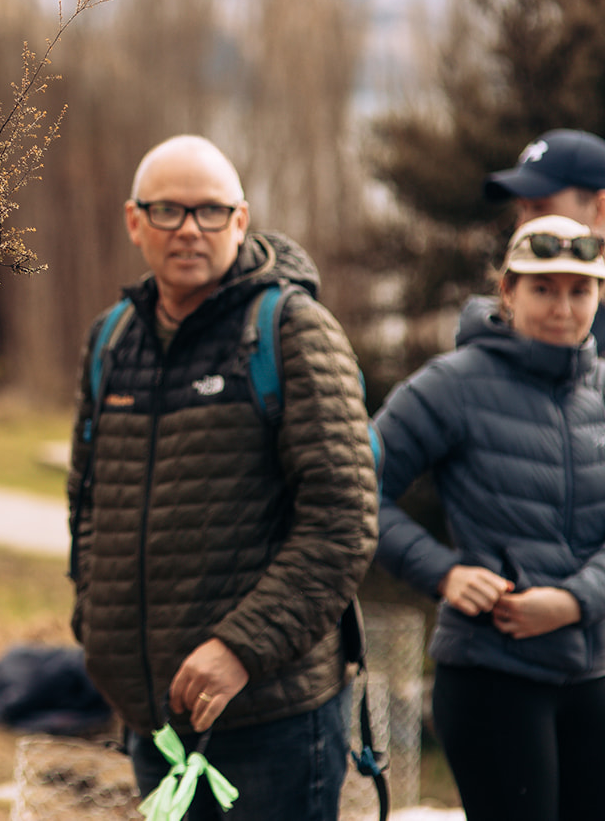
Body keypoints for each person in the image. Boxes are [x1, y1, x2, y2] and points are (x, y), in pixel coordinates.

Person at [66, 134, 378, 820]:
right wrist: (98, 623)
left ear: (240, 220)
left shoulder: (293, 331)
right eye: (168, 211)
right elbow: (87, 499)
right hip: (155, 717)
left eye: (210, 212)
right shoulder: (111, 338)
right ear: (134, 221)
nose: (188, 229)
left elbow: (343, 520)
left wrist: (240, 647)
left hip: (273, 719)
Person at [373, 213, 605, 821]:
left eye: (580, 289)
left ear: (600, 294)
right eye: (543, 288)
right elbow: (353, 489)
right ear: (507, 292)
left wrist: (575, 600)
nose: (563, 306)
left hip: (595, 671)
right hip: (492, 676)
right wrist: (443, 572)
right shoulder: (451, 386)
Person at [485, 129, 605, 821]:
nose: (525, 225)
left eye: (539, 207)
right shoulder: (577, 319)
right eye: (522, 212)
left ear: (600, 209)